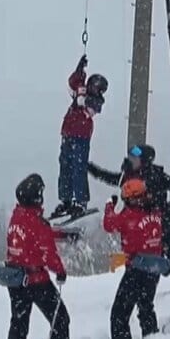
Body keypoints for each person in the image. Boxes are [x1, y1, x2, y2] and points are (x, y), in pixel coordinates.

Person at [88, 144, 170, 287]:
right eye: (130, 157)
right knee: (142, 259)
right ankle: (143, 295)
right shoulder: (127, 176)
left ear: (144, 160)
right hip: (140, 227)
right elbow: (108, 177)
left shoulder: (156, 175)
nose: (130, 160)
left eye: (135, 157)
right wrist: (91, 169)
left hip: (159, 223)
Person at [6, 174, 72, 339]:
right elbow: (48, 253)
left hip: (15, 280)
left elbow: (31, 237)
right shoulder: (37, 223)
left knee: (18, 326)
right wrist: (60, 272)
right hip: (36, 281)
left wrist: (59, 234)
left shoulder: (16, 216)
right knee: (61, 320)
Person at [103, 178, 164, 339]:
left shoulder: (128, 216)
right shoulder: (156, 212)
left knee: (119, 315)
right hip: (155, 267)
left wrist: (110, 205)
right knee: (146, 306)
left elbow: (109, 224)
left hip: (136, 270)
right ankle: (152, 337)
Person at [52, 54, 108, 219]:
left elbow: (87, 105)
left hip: (80, 136)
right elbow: (72, 85)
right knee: (65, 166)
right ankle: (66, 199)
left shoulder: (96, 101)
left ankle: (81, 200)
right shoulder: (81, 90)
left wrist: (82, 95)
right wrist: (79, 70)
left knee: (78, 167)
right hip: (68, 133)